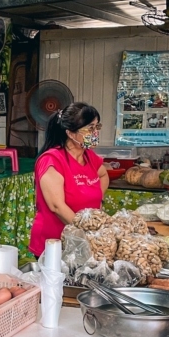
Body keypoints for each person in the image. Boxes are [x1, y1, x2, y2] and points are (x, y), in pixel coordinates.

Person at [29, 103, 108, 257]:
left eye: (97, 127)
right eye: (90, 128)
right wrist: (86, 233)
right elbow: (57, 206)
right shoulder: (52, 160)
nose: (95, 133)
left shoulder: (89, 157)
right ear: (71, 134)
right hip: (54, 243)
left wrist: (99, 201)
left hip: (82, 244)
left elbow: (103, 175)